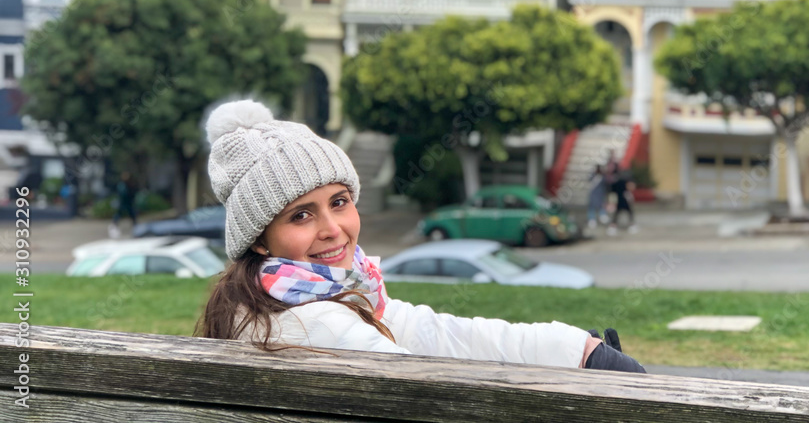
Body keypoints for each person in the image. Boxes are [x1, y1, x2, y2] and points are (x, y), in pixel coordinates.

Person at [196, 99, 645, 373]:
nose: (333, 229)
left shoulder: (288, 299)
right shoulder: (312, 324)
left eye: (338, 202)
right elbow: (429, 393)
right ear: (258, 238)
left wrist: (570, 349)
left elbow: (431, 331)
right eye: (300, 216)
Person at [606, 162, 638, 236]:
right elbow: (629, 188)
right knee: (629, 212)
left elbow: (611, 191)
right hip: (623, 199)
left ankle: (613, 226)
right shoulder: (624, 181)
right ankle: (631, 225)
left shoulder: (614, 181)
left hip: (619, 199)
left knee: (618, 213)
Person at [109, 171, 138, 238]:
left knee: (132, 215)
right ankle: (114, 224)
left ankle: (136, 226)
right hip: (123, 202)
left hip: (129, 202)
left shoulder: (130, 184)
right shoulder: (122, 185)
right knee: (120, 214)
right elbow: (122, 194)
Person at [585, 162, 609, 230]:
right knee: (592, 206)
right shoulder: (593, 175)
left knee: (601, 205)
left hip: (600, 194)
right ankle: (591, 219)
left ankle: (602, 215)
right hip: (593, 193)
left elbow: (606, 184)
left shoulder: (603, 176)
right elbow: (589, 180)